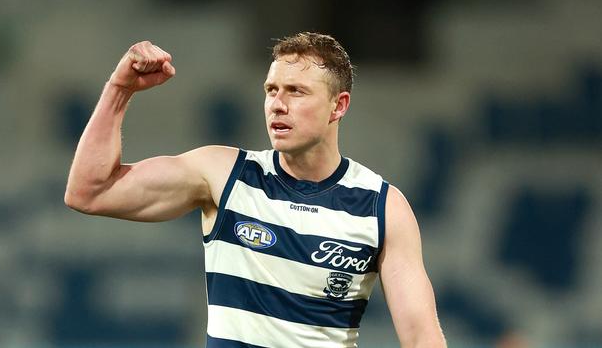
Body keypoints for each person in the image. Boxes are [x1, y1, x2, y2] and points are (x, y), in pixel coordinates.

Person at [65, 32, 446, 348]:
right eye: (271, 89)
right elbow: (89, 192)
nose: (277, 105)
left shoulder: (381, 207)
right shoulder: (224, 175)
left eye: (296, 91)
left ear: (338, 105)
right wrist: (119, 89)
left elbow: (421, 336)